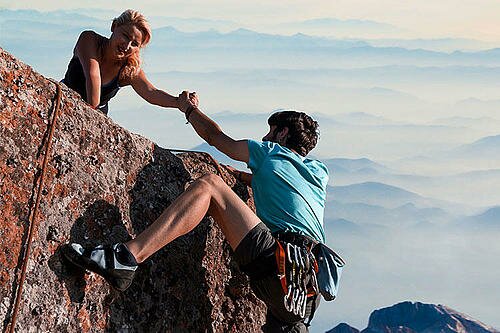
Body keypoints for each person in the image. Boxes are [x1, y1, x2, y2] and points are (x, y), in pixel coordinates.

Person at [62, 91, 329, 332]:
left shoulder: (269, 151)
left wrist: (189, 110)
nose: (264, 137)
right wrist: (241, 176)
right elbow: (284, 186)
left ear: (282, 133)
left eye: (270, 132)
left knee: (210, 185)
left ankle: (126, 258)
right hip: (306, 290)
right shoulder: (318, 173)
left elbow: (216, 138)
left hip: (279, 264)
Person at [62, 9, 182, 115]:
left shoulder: (129, 68)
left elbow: (151, 92)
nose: (127, 46)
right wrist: (91, 114)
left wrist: (180, 102)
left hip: (97, 116)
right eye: (125, 36)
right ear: (114, 26)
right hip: (64, 100)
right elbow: (93, 75)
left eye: (134, 44)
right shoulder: (89, 40)